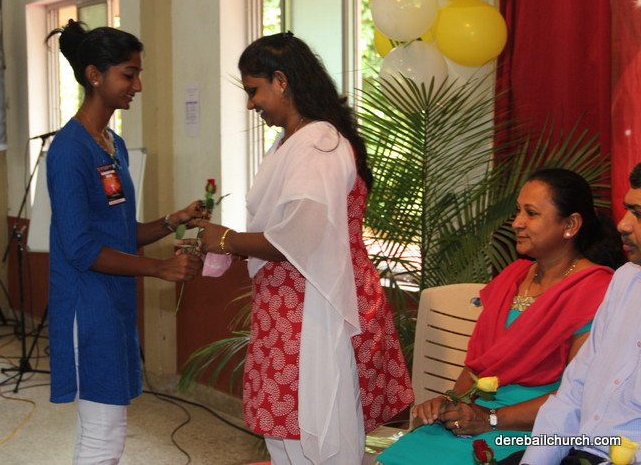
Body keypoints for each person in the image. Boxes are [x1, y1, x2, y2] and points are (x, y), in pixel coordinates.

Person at [191, 32, 414, 465]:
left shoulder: (319, 144)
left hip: (317, 305)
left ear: (281, 81)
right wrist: (232, 243)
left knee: (316, 432)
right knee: (289, 430)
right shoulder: (293, 141)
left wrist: (228, 240)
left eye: (254, 90)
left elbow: (298, 236)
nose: (251, 104)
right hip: (291, 304)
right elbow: (288, 229)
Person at [375, 168, 626, 465]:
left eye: (531, 213)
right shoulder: (513, 276)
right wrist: (450, 402)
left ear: (570, 224)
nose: (517, 223)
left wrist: (491, 418)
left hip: (536, 431)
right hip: (475, 418)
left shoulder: (597, 290)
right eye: (518, 211)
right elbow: (478, 366)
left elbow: (578, 396)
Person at [45, 20, 204, 464]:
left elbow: (118, 233)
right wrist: (160, 268)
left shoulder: (112, 143)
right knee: (102, 435)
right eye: (128, 74)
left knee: (105, 431)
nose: (138, 85)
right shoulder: (70, 150)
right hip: (86, 305)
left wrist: (172, 221)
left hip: (113, 300)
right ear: (95, 75)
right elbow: (80, 249)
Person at [519, 163, 641, 465]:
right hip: (577, 451)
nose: (623, 225)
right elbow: (573, 392)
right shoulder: (626, 280)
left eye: (638, 214)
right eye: (627, 210)